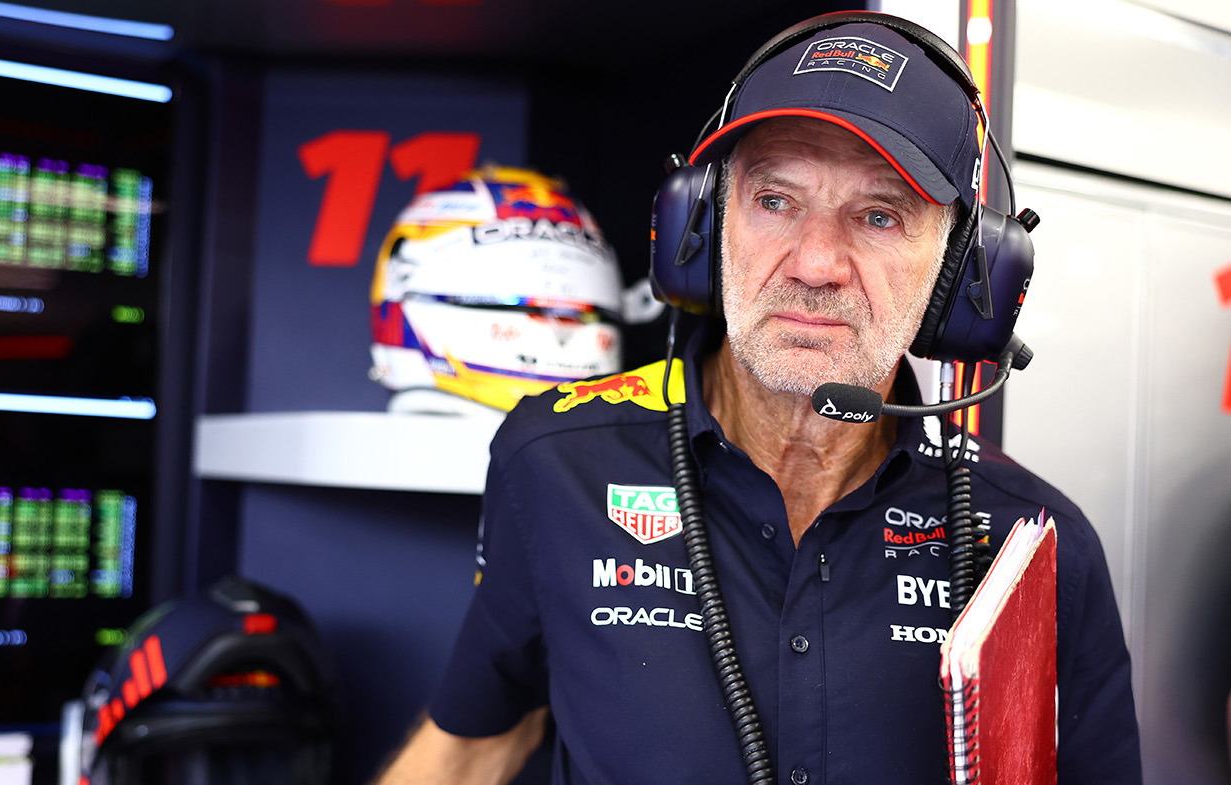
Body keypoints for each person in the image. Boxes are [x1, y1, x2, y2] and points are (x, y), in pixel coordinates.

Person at [373, 12, 1141, 785]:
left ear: (961, 275)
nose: (815, 262)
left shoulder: (1036, 547)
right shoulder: (554, 462)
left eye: (879, 215)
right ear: (702, 227)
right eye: (775, 200)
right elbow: (473, 747)